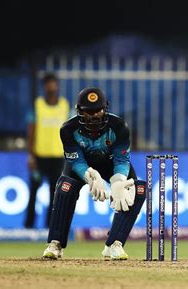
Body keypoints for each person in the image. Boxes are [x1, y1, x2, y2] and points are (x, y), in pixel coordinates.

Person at [42, 87, 146, 260]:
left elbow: (121, 159)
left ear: (105, 108)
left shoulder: (119, 126)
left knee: (137, 190)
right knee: (65, 188)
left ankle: (114, 245)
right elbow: (75, 160)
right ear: (79, 110)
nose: (94, 115)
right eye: (88, 111)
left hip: (111, 164)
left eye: (97, 110)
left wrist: (118, 181)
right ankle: (56, 243)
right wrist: (90, 175)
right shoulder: (68, 129)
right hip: (82, 166)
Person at [25, 73, 69, 228]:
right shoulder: (38, 105)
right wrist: (30, 156)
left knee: (55, 195)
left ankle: (50, 227)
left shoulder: (64, 105)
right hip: (39, 157)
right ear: (44, 86)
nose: (51, 86)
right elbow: (31, 132)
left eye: (53, 83)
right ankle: (28, 228)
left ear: (57, 86)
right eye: (47, 83)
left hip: (58, 158)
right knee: (33, 193)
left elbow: (69, 131)